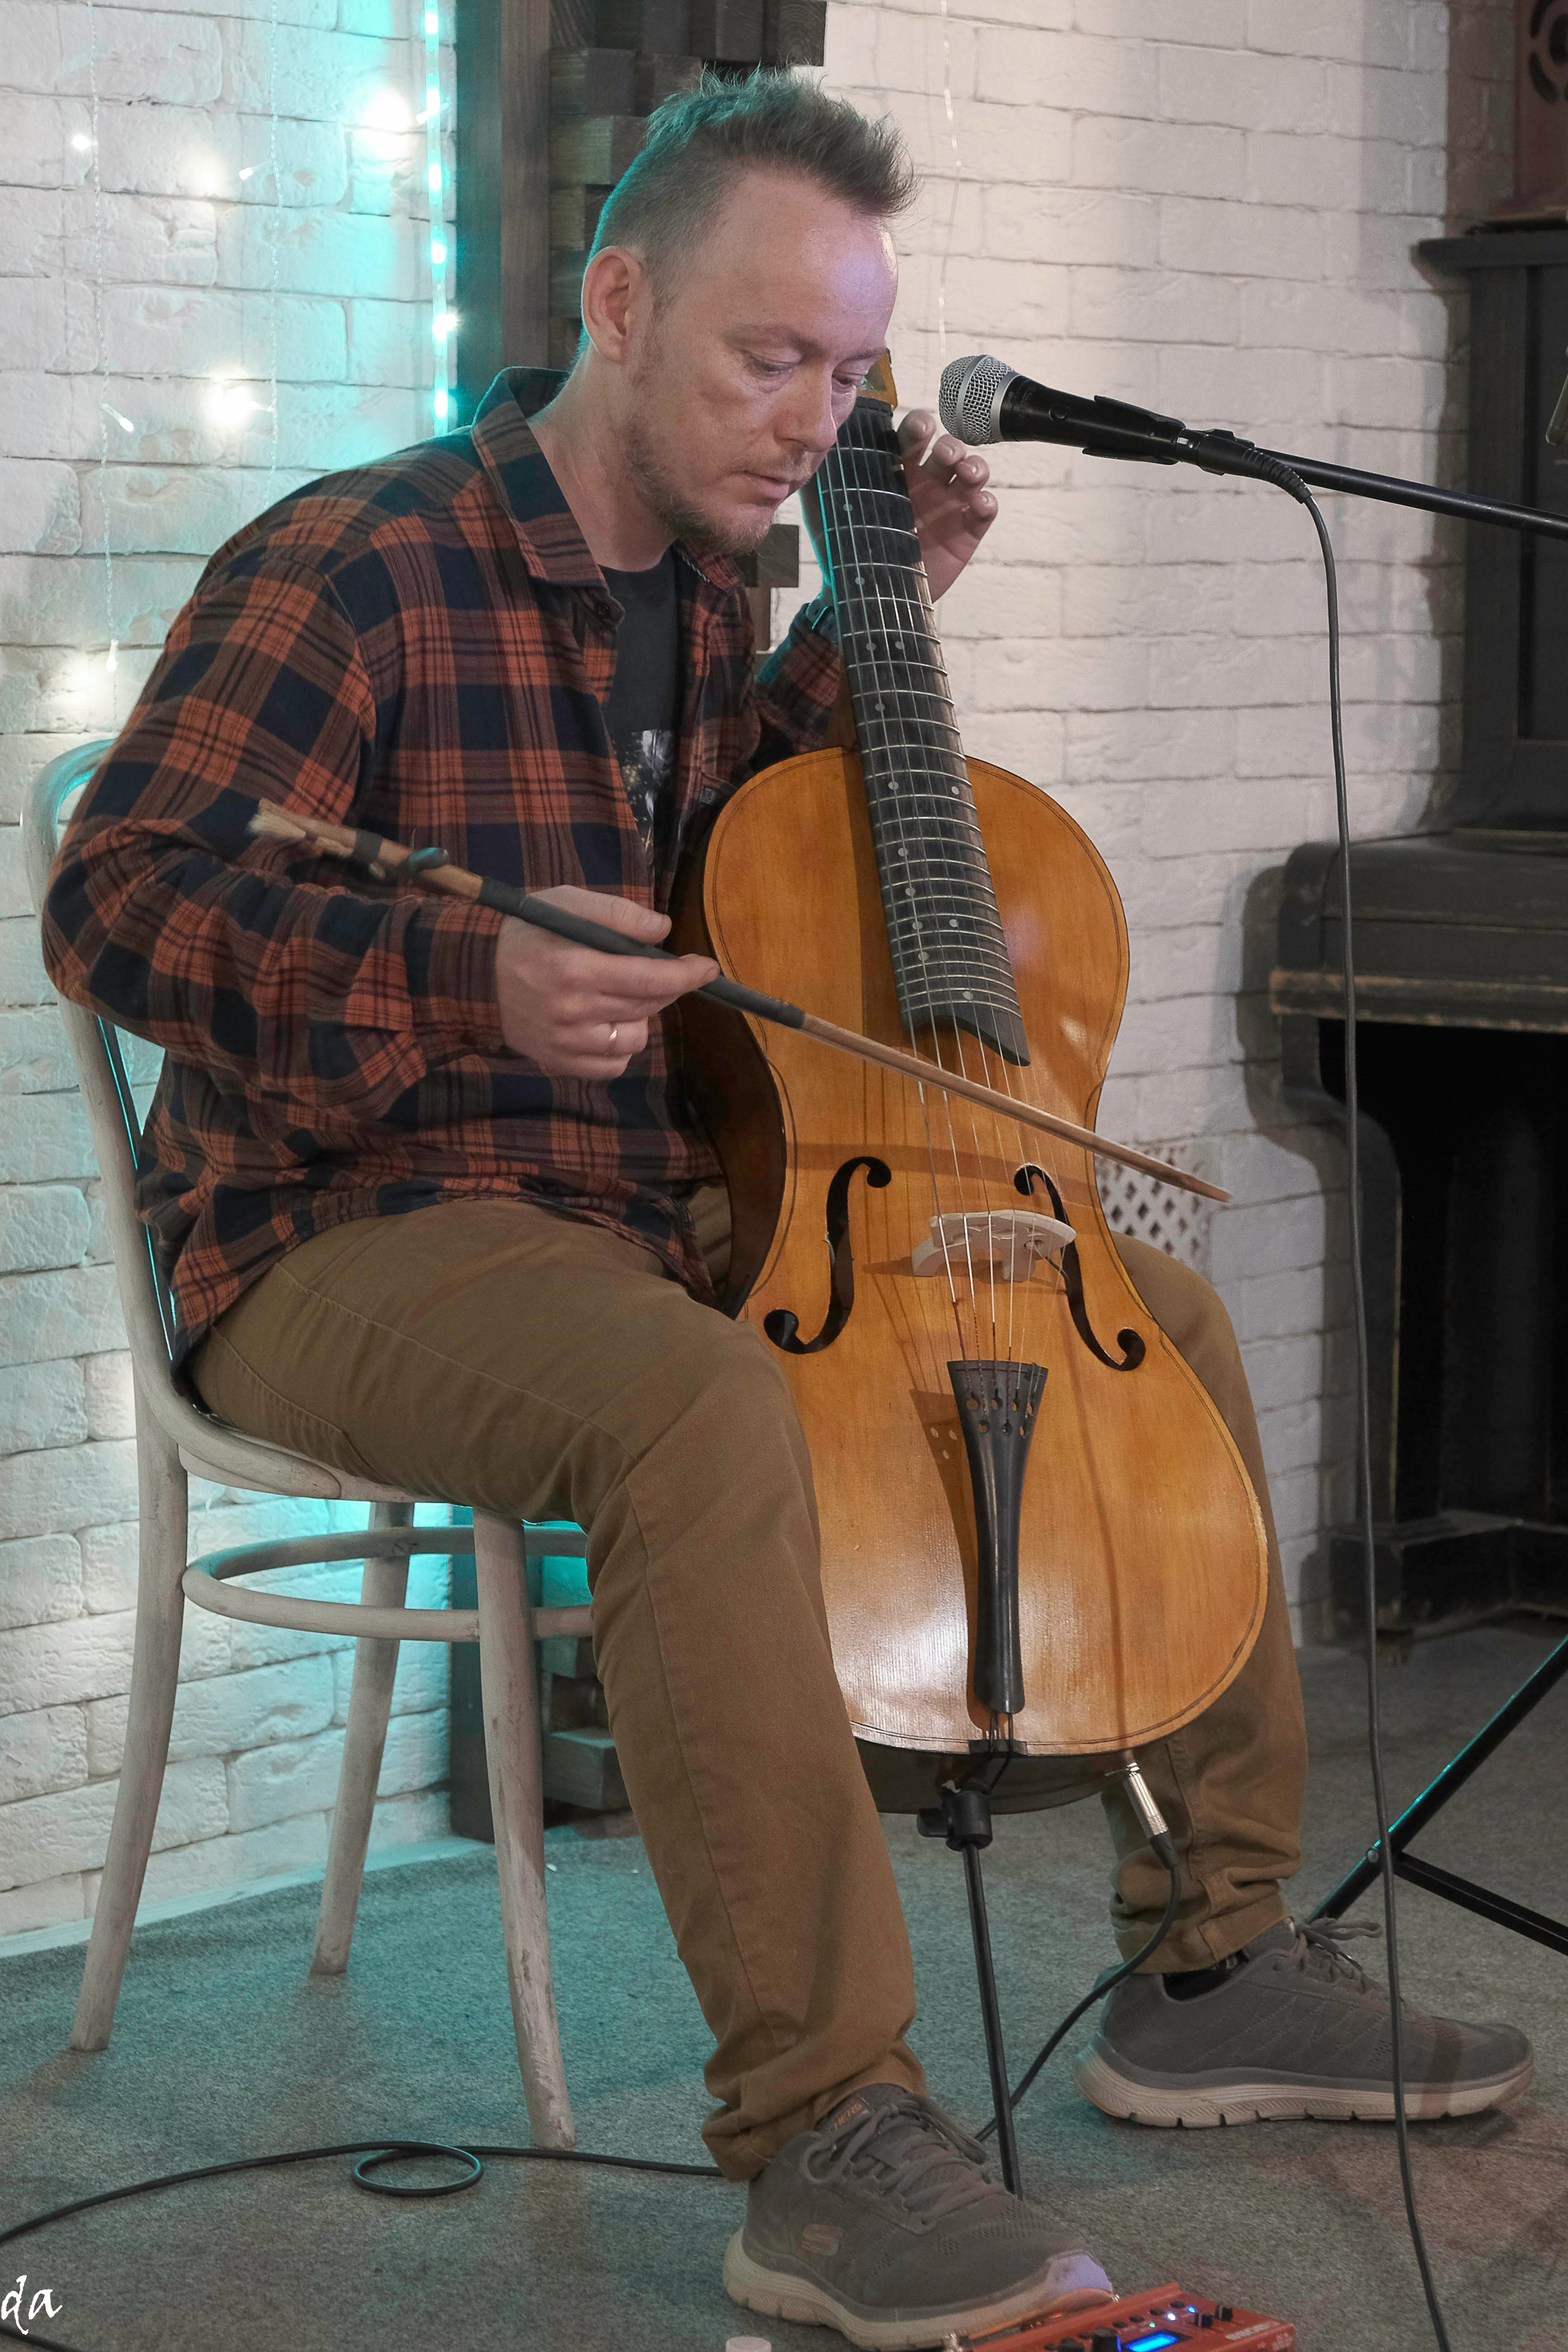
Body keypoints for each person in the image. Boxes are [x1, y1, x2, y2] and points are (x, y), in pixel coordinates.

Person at [41, 70, 1531, 2352]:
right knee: (690, 1409)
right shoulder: (358, 560)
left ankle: (1216, 1955)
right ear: (617, 305)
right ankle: (824, 2132)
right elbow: (117, 897)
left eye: (845, 372)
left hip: (648, 1205)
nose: (816, 420)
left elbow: (751, 861)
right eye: (771, 360)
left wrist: (873, 621)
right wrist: (467, 973)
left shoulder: (719, 596)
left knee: (1155, 1316)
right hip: (350, 1225)